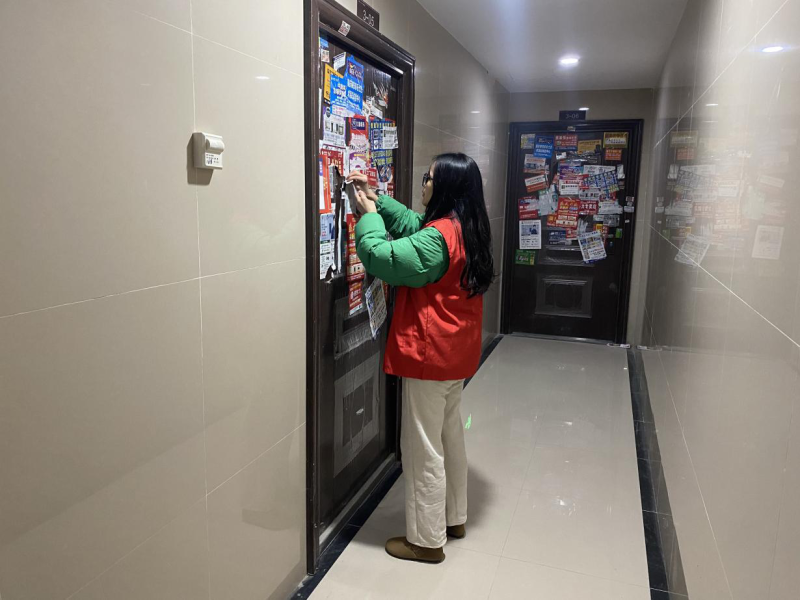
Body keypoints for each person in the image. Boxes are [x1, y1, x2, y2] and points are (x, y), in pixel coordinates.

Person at [346, 152, 494, 564]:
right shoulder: (465, 226)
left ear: (444, 187)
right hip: (455, 356)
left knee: (423, 448)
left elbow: (383, 257)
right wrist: (378, 199)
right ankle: (454, 517)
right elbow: (416, 227)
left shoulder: (439, 236)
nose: (423, 185)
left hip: (430, 357)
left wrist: (368, 217)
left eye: (428, 179)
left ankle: (426, 542)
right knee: (449, 437)